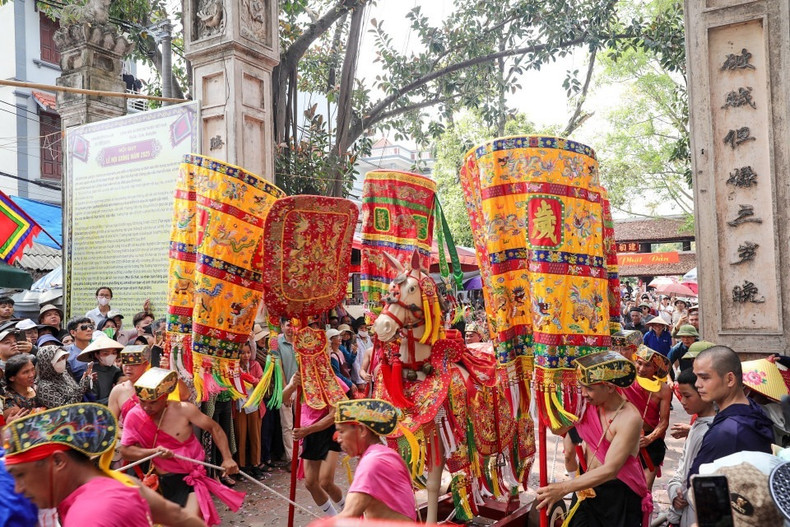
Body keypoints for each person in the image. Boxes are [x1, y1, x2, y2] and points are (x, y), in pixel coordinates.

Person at [4, 402, 207, 527]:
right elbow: (179, 517)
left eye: (20, 475)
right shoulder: (122, 481)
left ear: (58, 461)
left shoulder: (88, 517)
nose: (18, 488)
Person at [536, 350, 651, 527]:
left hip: (618, 495)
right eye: (581, 386)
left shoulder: (629, 418)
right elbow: (556, 428)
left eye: (589, 388)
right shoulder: (587, 405)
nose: (583, 393)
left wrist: (563, 488)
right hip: (586, 485)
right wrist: (548, 390)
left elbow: (611, 469)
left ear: (610, 387)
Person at [120, 368, 244, 525]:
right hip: (162, 480)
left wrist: (227, 458)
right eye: (142, 401)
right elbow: (125, 451)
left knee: (188, 522)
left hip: (190, 478)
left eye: (153, 402)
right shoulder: (134, 415)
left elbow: (214, 428)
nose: (146, 407)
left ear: (164, 397)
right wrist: (153, 452)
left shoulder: (184, 410)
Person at [688, 345, 774, 480]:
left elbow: (698, 484)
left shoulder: (727, 432)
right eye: (697, 377)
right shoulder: (753, 409)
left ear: (730, 379)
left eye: (704, 378)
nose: (698, 384)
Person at [334, 399, 417, 521]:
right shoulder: (381, 454)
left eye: (342, 431)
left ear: (362, 430)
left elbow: (349, 516)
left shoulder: (373, 462)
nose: (338, 439)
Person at [283, 367, 346, 517]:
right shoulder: (300, 376)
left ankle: (351, 514)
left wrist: (308, 430)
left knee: (326, 482)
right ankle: (335, 519)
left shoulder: (330, 379)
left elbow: (333, 415)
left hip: (329, 432)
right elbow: (284, 399)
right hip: (309, 432)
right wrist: (293, 385)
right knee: (311, 483)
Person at [665, 368, 715, 527]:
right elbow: (683, 465)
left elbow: (691, 475)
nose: (683, 402)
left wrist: (679, 496)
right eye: (681, 396)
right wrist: (674, 492)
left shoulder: (707, 432)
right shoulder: (696, 425)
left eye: (687, 396)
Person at [620, 344, 672, 492]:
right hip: (626, 437)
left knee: (644, 490)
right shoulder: (627, 381)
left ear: (655, 368)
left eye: (648, 365)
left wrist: (649, 439)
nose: (641, 369)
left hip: (651, 442)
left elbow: (664, 422)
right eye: (639, 363)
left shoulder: (664, 389)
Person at [234, 341, 266, 479]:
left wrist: (248, 378)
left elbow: (262, 382)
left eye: (248, 352)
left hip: (254, 405)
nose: (246, 356)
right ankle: (242, 466)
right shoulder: (233, 367)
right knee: (241, 436)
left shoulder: (255, 365)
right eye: (242, 353)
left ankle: (255, 465)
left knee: (255, 436)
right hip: (240, 405)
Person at [272, 318, 298, 465]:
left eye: (293, 325)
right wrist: (286, 390)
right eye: (288, 325)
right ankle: (291, 458)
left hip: (301, 389)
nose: (291, 328)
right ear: (282, 326)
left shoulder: (301, 342)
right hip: (286, 387)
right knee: (287, 425)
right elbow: (279, 368)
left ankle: (302, 456)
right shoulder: (277, 343)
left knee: (302, 424)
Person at [76, 334, 124, 405]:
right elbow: (92, 401)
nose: (110, 356)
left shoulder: (116, 370)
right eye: (105, 353)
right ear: (97, 355)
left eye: (114, 353)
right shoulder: (91, 373)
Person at [2, 353, 41, 418]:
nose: (31, 375)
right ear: (12, 378)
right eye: (25, 372)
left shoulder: (35, 387)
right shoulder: (7, 400)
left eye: (33, 369)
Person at [65, 317, 94, 381]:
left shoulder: (98, 350)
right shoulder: (66, 355)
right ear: (73, 333)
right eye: (83, 327)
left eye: (91, 327)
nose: (89, 329)